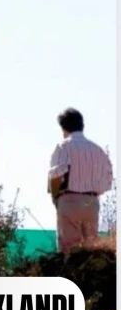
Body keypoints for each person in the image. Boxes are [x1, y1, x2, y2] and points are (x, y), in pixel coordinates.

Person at [48, 108, 113, 253]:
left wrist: (55, 198)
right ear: (82, 125)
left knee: (69, 249)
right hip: (92, 201)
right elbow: (108, 179)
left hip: (69, 199)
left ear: (63, 127)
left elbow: (56, 174)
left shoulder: (63, 146)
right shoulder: (98, 150)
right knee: (91, 249)